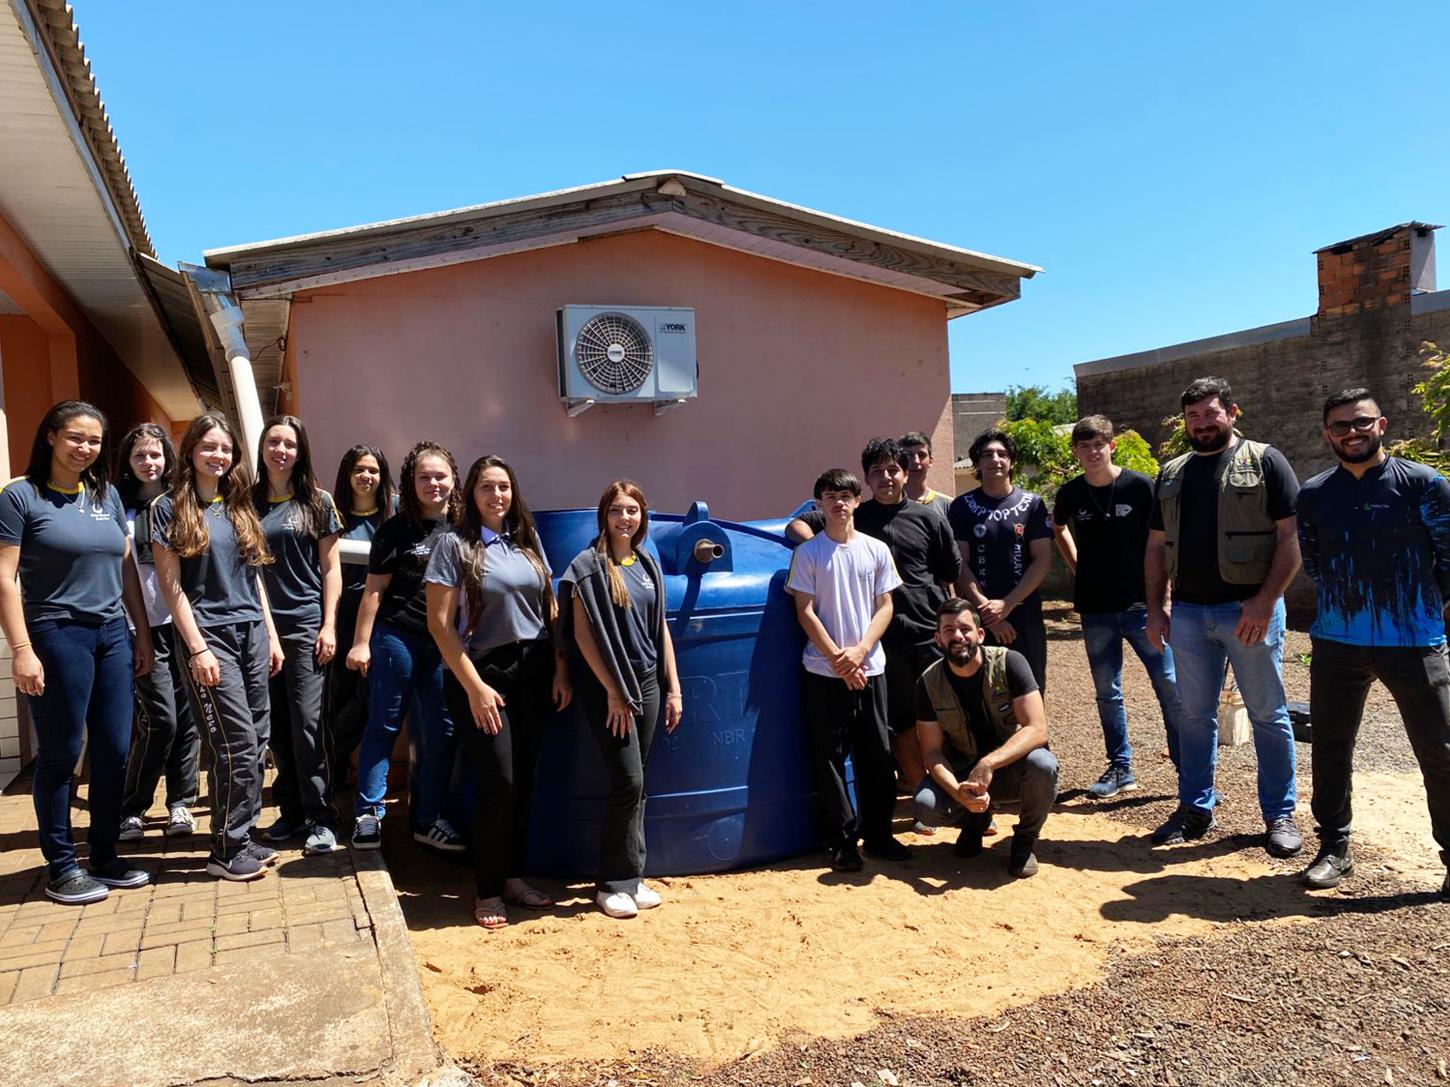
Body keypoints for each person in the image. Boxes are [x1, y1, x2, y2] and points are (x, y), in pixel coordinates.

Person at [1296, 388, 1450, 897]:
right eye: (1339, 426)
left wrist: (1419, 608)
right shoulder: (1315, 493)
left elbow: (1448, 559)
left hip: (1415, 640)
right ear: (1327, 434)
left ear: (1381, 424)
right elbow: (1315, 561)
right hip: (1338, 641)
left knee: (1439, 749)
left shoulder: (1424, 484)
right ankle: (1334, 848)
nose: (1351, 433)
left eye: (1360, 422)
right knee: (1332, 746)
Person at [0, 401, 153, 904]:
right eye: (75, 438)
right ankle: (62, 866)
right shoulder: (19, 496)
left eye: (93, 441)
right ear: (50, 436)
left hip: (112, 633)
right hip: (56, 633)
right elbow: (5, 578)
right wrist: (21, 650)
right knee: (62, 753)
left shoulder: (105, 495)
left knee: (114, 750)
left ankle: (104, 855)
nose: (85, 448)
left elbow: (126, 567)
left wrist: (142, 633)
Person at [1145, 376, 1303, 856]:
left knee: (1268, 715)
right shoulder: (1172, 473)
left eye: (1211, 414)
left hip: (1248, 610)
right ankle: (1195, 808)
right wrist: (1157, 607)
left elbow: (1291, 538)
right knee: (1194, 716)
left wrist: (1264, 600)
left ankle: (1280, 816)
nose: (1202, 424)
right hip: (1190, 613)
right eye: (1193, 416)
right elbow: (1154, 547)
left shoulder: (1266, 461)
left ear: (1232, 413)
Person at [426, 455, 571, 928]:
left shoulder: (526, 542)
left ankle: (514, 877)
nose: (497, 496)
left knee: (525, 782)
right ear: (471, 494)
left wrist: (560, 668)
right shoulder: (454, 545)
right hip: (483, 674)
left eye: (504, 487)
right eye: (487, 487)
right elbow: (439, 625)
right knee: (498, 782)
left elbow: (549, 607)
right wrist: (475, 688)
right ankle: (487, 891)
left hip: (534, 670)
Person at [788, 439, 960, 807]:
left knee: (944, 717)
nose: (886, 477)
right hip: (881, 643)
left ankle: (958, 795)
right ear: (866, 479)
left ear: (905, 473)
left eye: (893, 469)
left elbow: (948, 572)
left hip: (926, 632)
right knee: (897, 723)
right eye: (877, 471)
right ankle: (921, 796)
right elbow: (798, 524)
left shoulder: (929, 518)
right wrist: (820, 550)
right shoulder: (852, 514)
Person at [151, 413, 285, 882]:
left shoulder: (237, 505)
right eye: (209, 447)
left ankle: (243, 834)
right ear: (190, 451)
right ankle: (225, 847)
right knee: (235, 744)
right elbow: (172, 590)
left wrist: (269, 633)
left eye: (225, 449)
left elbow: (255, 578)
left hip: (251, 631)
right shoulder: (168, 508)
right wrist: (197, 648)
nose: (218, 456)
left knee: (258, 740)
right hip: (209, 637)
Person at [558, 480, 684, 919]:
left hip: (649, 682)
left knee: (640, 783)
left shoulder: (647, 563)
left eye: (632, 510)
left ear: (642, 516)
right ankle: (609, 884)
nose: (625, 518)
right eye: (617, 510)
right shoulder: (587, 568)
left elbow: (661, 628)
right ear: (604, 516)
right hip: (608, 687)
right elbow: (580, 634)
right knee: (627, 780)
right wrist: (613, 691)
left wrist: (674, 688)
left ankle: (633, 877)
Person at [1053, 415, 1184, 798]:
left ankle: (1187, 768)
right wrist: (1078, 566)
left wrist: (1167, 597)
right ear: (1076, 452)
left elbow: (1164, 542)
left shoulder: (1142, 487)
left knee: (1169, 687)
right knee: (1107, 691)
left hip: (1143, 605)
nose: (1092, 452)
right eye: (1084, 446)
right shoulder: (1071, 493)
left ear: (1111, 446)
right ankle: (1120, 767)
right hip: (1096, 608)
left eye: (1099, 444)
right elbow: (1057, 527)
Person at [786, 467, 910, 873]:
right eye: (830, 496)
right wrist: (839, 659)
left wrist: (859, 652)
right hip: (824, 673)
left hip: (870, 668)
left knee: (877, 755)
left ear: (858, 501)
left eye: (845, 496)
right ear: (819, 504)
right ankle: (842, 842)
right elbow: (804, 611)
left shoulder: (875, 550)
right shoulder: (809, 554)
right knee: (830, 758)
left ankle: (879, 835)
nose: (839, 503)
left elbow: (886, 606)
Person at [349, 441, 463, 853]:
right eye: (424, 477)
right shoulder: (395, 529)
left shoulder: (465, 526)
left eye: (440, 476)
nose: (433, 483)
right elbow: (375, 590)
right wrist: (362, 642)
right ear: (410, 483)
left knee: (441, 730)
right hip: (399, 637)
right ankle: (368, 815)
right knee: (384, 724)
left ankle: (428, 819)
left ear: (454, 479)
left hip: (445, 645)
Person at [252, 414, 344, 854]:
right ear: (262, 448)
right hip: (259, 630)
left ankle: (321, 816)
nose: (280, 451)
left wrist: (328, 624)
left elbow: (332, 569)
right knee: (277, 729)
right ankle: (290, 812)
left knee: (308, 724)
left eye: (289, 444)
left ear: (300, 451)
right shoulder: (245, 503)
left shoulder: (318, 502)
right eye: (273, 442)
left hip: (307, 626)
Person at [913, 599, 1058, 877]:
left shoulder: (1010, 663)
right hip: (963, 774)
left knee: (1043, 765)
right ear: (938, 638)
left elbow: (1037, 729)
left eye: (965, 628)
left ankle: (1024, 843)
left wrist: (988, 764)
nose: (957, 636)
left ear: (980, 634)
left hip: (1010, 769)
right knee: (925, 806)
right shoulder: (928, 683)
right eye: (948, 630)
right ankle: (974, 820)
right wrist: (958, 792)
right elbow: (932, 753)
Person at [115, 424, 201, 840]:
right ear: (128, 464)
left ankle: (181, 803)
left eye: (155, 455)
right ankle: (133, 805)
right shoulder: (118, 506)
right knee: (160, 718)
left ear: (168, 458)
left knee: (188, 718)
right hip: (138, 625)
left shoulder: (180, 503)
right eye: (139, 457)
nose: (149, 463)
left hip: (182, 623)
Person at [948, 429, 1053, 692]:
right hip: (979, 617)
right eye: (987, 454)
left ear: (1011, 462)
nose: (995, 459)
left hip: (1024, 613)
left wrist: (1007, 604)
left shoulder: (1033, 504)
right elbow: (960, 564)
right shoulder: (961, 506)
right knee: (985, 690)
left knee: (1030, 689)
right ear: (977, 463)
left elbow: (1042, 560)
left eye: (1002, 454)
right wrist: (991, 615)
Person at [325, 445, 396, 804]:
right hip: (341, 615)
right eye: (359, 470)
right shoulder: (332, 515)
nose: (366, 477)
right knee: (340, 694)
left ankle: (330, 759)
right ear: (347, 475)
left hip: (382, 617)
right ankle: (330, 771)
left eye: (373, 470)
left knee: (371, 696)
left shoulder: (393, 514)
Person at [899, 430, 953, 519]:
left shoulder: (949, 506)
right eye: (909, 455)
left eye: (921, 455)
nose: (916, 461)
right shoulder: (888, 504)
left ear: (931, 461)